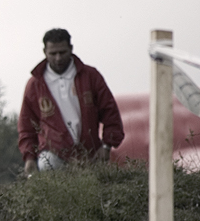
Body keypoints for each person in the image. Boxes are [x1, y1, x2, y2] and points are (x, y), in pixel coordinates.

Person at [18, 28, 124, 174]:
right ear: (44, 52)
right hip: (53, 154)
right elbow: (26, 126)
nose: (58, 58)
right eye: (53, 53)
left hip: (89, 154)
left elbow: (110, 112)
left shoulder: (90, 76)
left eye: (62, 52)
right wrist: (29, 157)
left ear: (71, 49)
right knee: (47, 165)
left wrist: (106, 146)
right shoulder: (35, 85)